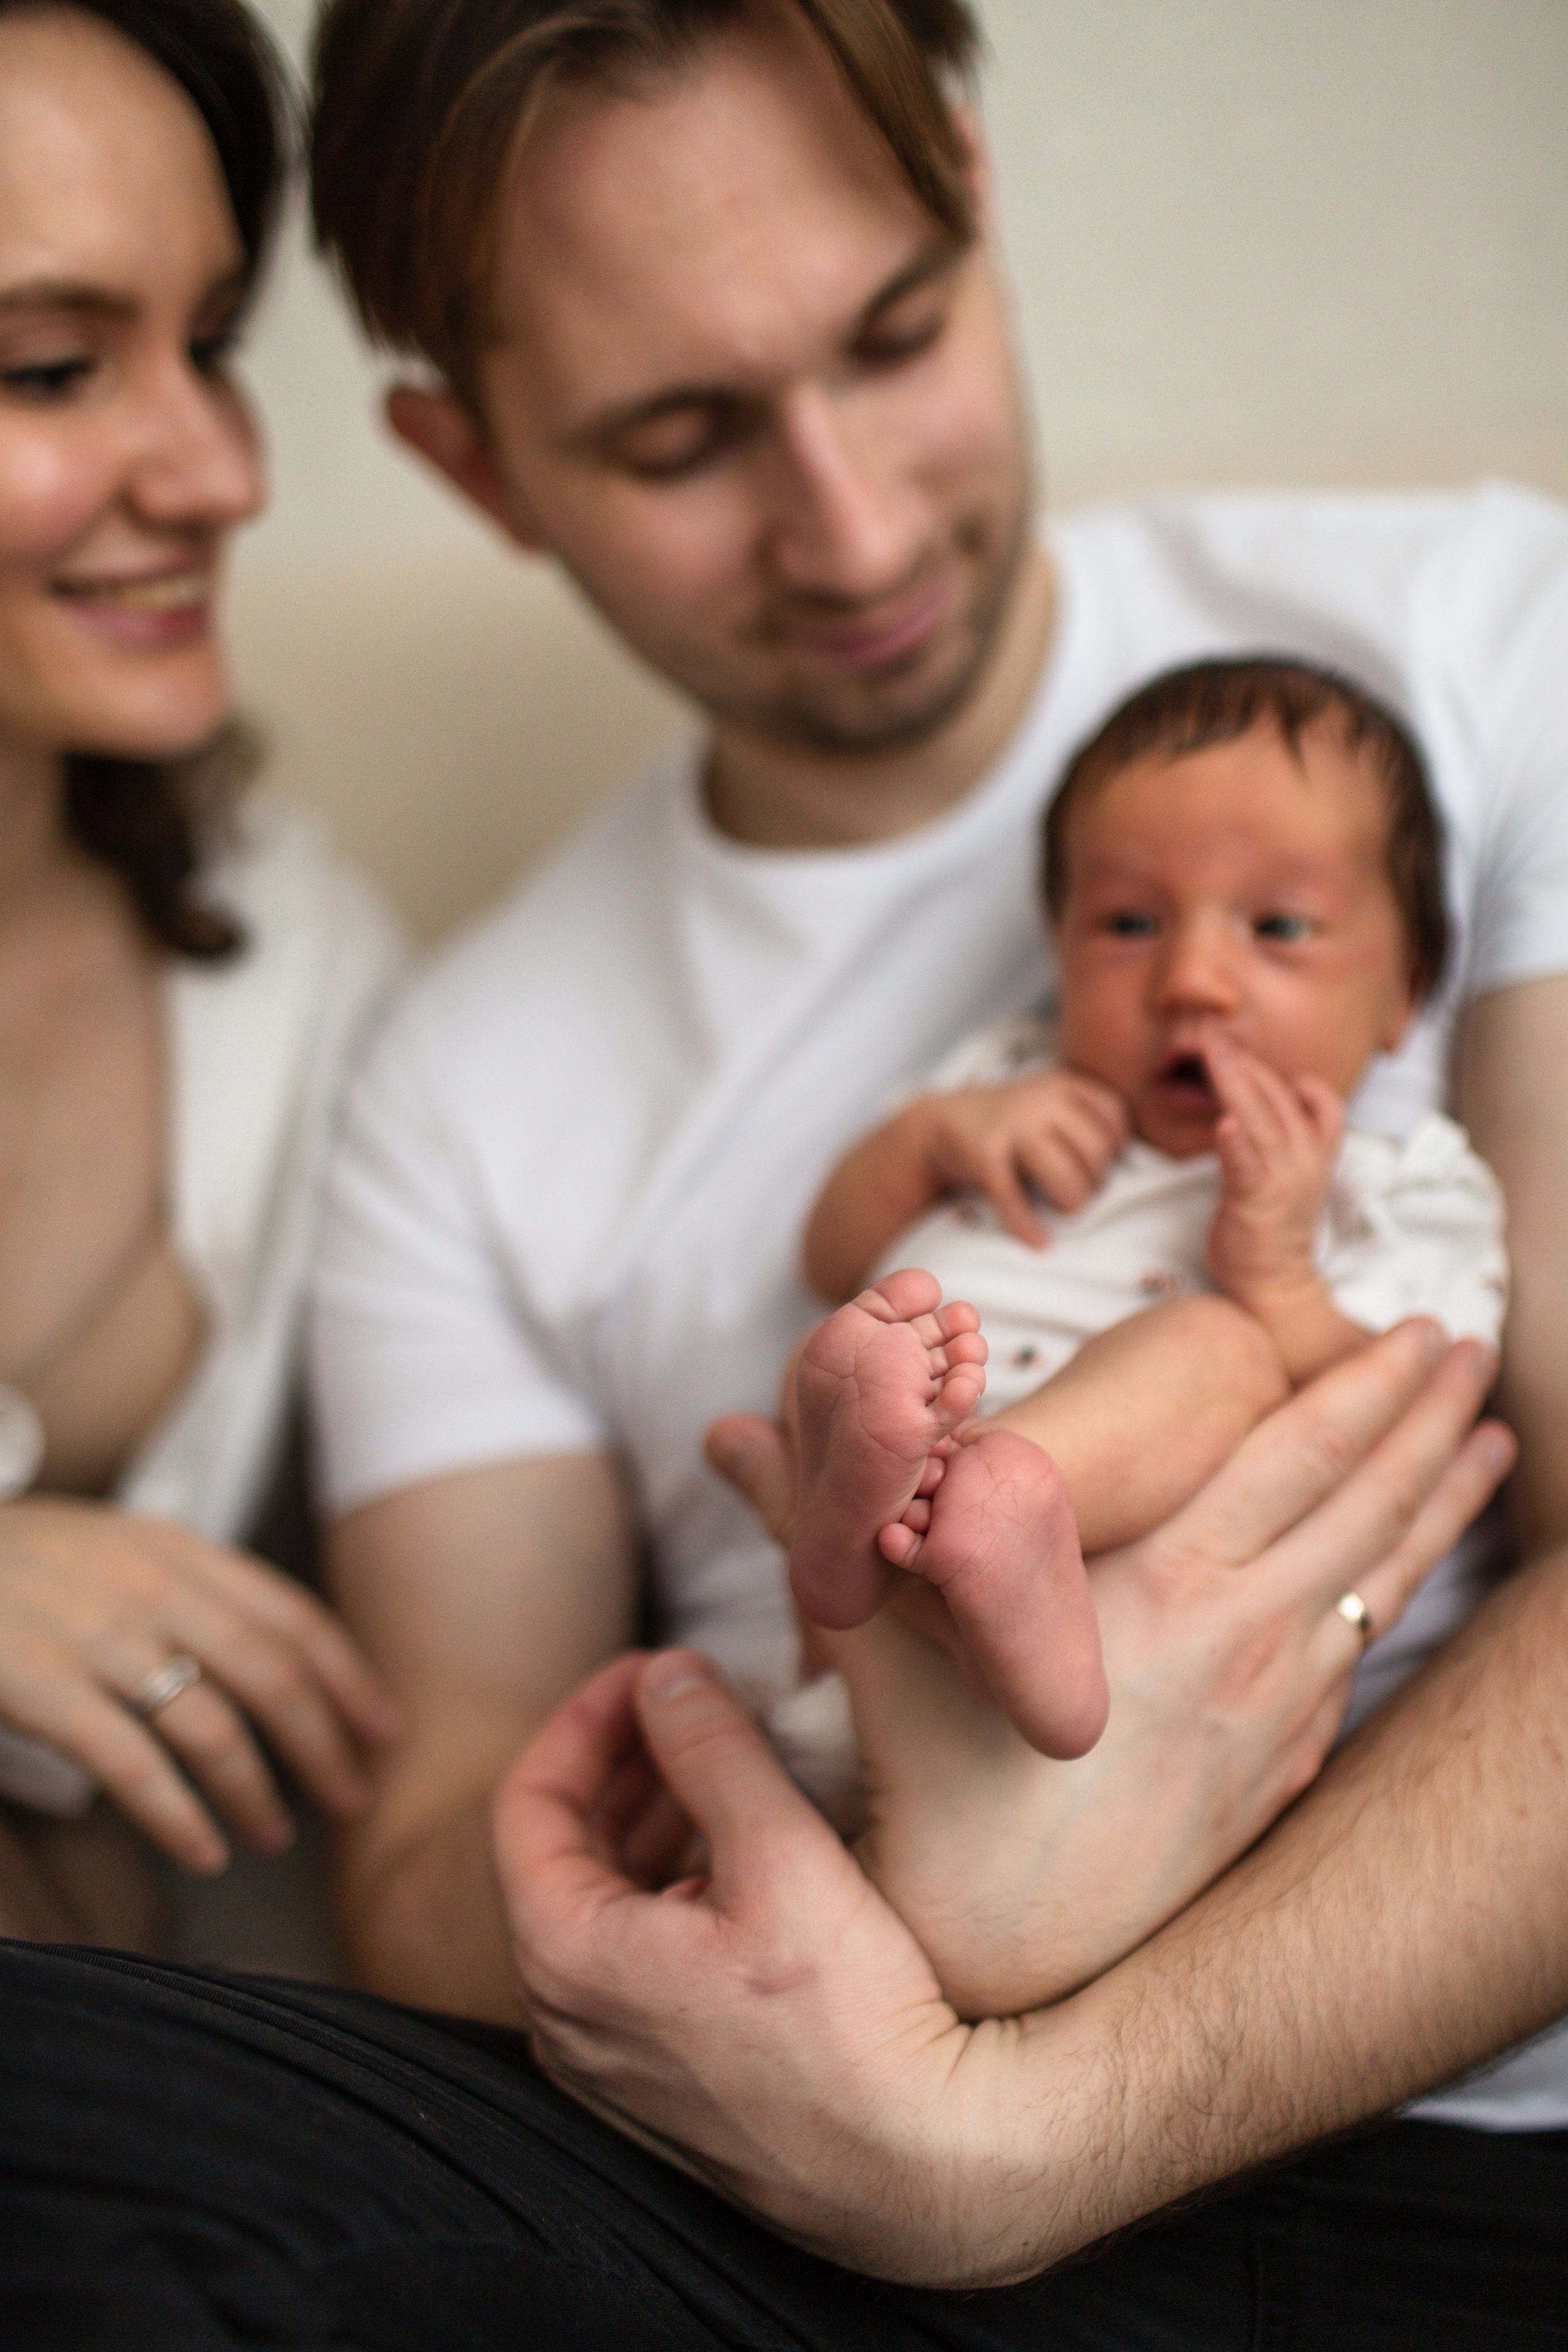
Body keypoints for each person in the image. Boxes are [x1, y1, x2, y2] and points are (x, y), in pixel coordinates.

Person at [1, 1, 1563, 2342]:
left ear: (972, 187)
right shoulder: (452, 1067)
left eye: (895, 334)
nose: (849, 528)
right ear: (475, 469)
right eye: (676, 437)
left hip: (1452, 2122)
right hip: (775, 2135)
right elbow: (429, 1858)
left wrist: (1032, 2108)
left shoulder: (1467, 651)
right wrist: (801, 1871)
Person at [758, 660, 1509, 2006]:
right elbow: (825, 1240)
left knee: (1218, 1351)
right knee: (859, 1334)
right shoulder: (1006, 1078)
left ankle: (980, 1506)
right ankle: (893, 1513)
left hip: (1132, 1656)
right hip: (869, 1677)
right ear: (1056, 952)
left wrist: (1274, 1275)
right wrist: (935, 1139)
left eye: (1277, 927)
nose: (1191, 980)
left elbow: (1409, 1411)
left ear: (1403, 996)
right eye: (1124, 923)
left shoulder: (1395, 1186)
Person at [0, 0, 401, 1954]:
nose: (225, 472)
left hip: (131, 2136)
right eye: (56, 369)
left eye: (217, 347)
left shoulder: (294, 963)